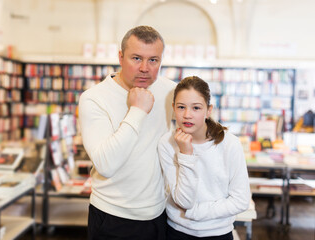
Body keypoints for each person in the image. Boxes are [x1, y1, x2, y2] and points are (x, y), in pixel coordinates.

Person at [79, 25, 176, 240]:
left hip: (158, 213)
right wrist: (137, 110)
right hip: (112, 215)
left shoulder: (170, 91)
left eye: (153, 60)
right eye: (136, 58)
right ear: (121, 57)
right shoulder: (94, 98)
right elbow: (106, 165)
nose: (145, 68)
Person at [158, 76, 251, 240]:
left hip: (218, 233)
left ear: (209, 110)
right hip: (177, 232)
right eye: (181, 107)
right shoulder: (166, 143)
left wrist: (196, 212)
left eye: (196, 108)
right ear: (173, 108)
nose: (187, 115)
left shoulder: (230, 144)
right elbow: (184, 201)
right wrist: (186, 154)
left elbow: (241, 200)